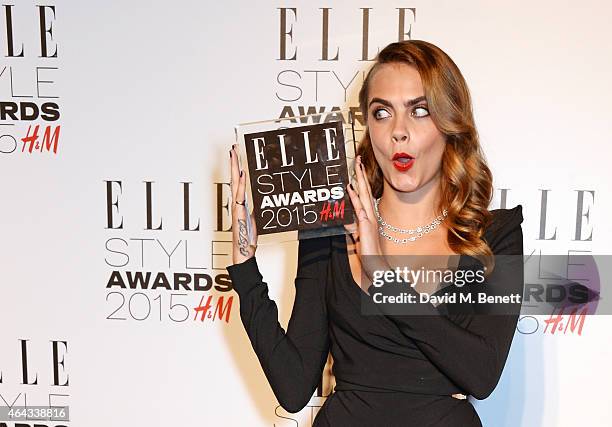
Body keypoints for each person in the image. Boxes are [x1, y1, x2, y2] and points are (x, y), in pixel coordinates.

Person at [226, 40, 524, 427]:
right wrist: (246, 270)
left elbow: (482, 375)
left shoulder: (495, 235)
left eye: (420, 111)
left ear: (451, 123)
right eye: (381, 113)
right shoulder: (328, 229)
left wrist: (380, 274)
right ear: (368, 127)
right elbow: (294, 388)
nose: (399, 132)